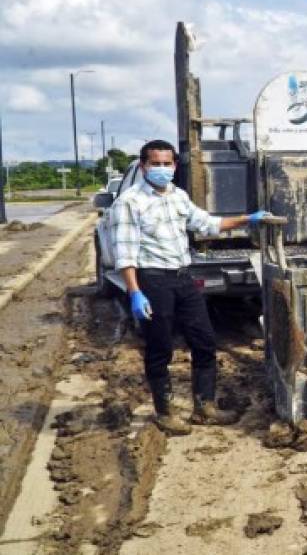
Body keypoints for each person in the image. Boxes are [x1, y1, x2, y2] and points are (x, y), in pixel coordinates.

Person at [110, 140, 268, 435]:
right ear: (143, 165)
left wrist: (249, 219)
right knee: (160, 347)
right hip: (153, 280)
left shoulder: (177, 196)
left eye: (167, 163)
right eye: (155, 163)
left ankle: (204, 406)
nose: (161, 169)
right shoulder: (130, 202)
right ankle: (165, 411)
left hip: (183, 277)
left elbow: (207, 224)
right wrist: (134, 292)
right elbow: (125, 253)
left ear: (174, 166)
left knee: (204, 341)